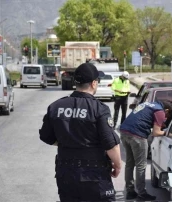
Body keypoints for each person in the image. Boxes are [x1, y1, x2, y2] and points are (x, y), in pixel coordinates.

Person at [39, 63, 122, 201]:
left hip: (65, 174)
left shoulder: (56, 106)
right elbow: (110, 144)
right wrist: (118, 166)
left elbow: (46, 136)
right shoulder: (99, 109)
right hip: (94, 175)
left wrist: (68, 142)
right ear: (94, 83)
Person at [119, 100, 172, 200]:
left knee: (130, 163)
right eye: (168, 114)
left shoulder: (148, 104)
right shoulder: (160, 111)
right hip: (137, 136)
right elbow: (156, 132)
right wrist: (169, 134)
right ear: (167, 110)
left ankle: (130, 191)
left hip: (124, 132)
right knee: (141, 165)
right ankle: (142, 193)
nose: (166, 117)